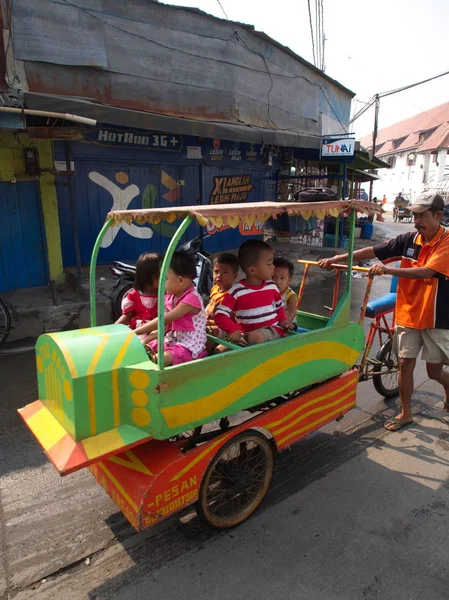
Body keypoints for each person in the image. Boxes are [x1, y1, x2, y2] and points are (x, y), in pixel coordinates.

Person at [318, 192, 449, 432]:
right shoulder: (409, 239)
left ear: (439, 215)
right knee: (404, 364)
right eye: (415, 215)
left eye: (423, 215)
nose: (417, 220)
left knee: (434, 371)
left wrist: (388, 272)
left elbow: (426, 272)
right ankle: (405, 412)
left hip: (436, 316)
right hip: (409, 312)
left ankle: (447, 387)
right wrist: (336, 258)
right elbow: (373, 252)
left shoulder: (446, 242)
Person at [134, 251, 207, 366]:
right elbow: (164, 328)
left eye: (165, 279)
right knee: (144, 347)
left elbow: (164, 320)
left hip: (189, 347)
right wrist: (146, 340)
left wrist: (135, 332)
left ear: (181, 281)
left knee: (160, 358)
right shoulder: (169, 297)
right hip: (172, 341)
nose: (160, 283)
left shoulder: (192, 299)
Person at [215, 240, 293, 346]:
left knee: (256, 336)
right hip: (245, 335)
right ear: (252, 270)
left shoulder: (272, 287)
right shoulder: (236, 291)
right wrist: (233, 329)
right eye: (269, 264)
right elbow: (220, 315)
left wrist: (284, 322)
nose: (273, 267)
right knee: (220, 350)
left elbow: (279, 309)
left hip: (272, 330)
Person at [115, 253, 161, 337]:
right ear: (147, 276)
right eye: (159, 275)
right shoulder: (134, 295)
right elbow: (126, 316)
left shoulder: (165, 296)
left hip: (155, 335)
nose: (163, 278)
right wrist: (114, 328)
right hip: (137, 333)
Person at [205, 253, 239, 333]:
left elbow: (228, 321)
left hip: (225, 328)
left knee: (205, 331)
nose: (219, 275)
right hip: (209, 320)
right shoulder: (215, 288)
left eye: (225, 272)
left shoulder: (231, 296)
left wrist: (206, 323)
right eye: (216, 271)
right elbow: (210, 304)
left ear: (235, 276)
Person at [273, 257, 298, 322]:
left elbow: (292, 312)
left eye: (282, 278)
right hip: (272, 321)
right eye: (273, 277)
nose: (277, 281)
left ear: (289, 280)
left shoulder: (290, 295)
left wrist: (286, 322)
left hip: (287, 322)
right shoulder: (267, 291)